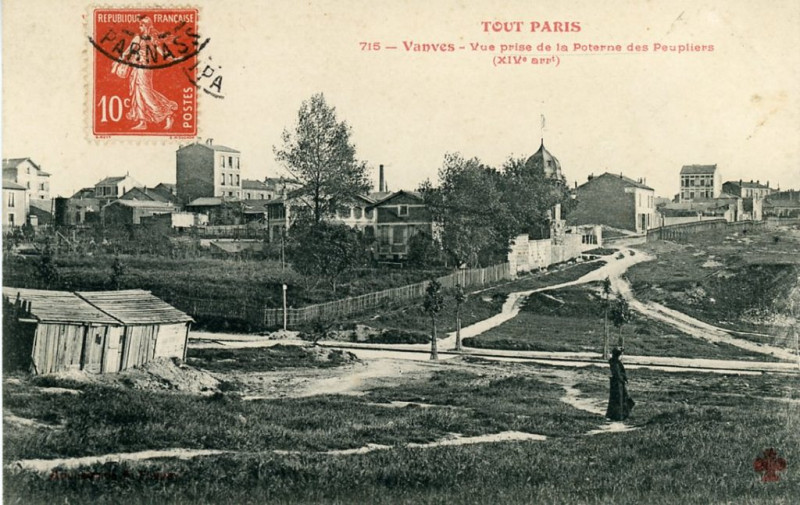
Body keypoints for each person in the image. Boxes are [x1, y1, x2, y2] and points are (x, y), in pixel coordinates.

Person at [111, 16, 177, 130]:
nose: (139, 27)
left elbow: (160, 50)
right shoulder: (138, 38)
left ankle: (167, 114)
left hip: (145, 68)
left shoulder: (151, 38)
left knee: (146, 94)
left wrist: (171, 58)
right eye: (139, 25)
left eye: (141, 25)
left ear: (147, 26)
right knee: (138, 94)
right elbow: (129, 51)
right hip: (137, 68)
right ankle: (142, 122)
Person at [605, 347, 635, 421]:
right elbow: (618, 373)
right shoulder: (615, 362)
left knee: (617, 399)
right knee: (620, 399)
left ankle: (617, 415)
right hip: (618, 383)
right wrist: (623, 380)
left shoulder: (614, 361)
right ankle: (619, 416)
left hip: (617, 382)